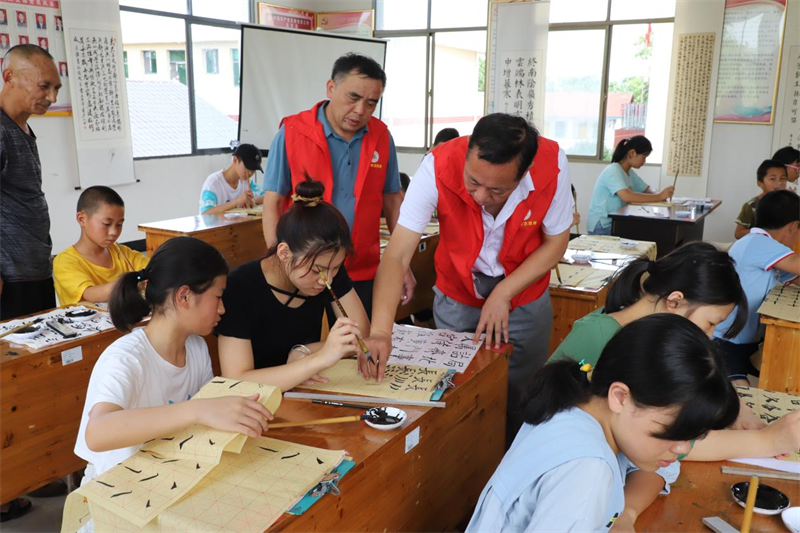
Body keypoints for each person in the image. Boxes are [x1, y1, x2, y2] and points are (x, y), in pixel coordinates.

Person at [367, 114, 574, 441]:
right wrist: (380, 331)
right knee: (456, 395)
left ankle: (512, 459)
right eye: (473, 182)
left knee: (522, 398)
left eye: (496, 190)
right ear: (467, 154)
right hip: (457, 294)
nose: (479, 197)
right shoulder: (437, 165)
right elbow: (396, 255)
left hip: (524, 293)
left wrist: (503, 293)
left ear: (525, 173)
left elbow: (556, 243)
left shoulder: (552, 165)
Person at [466, 314, 741, 533]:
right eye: (674, 431)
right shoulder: (587, 471)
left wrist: (627, 513)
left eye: (693, 435)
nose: (682, 448)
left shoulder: (581, 403)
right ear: (620, 397)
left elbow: (662, 468)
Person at [74, 237, 273, 489]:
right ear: (184, 296)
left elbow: (205, 416)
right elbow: (97, 433)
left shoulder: (196, 347)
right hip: (119, 488)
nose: (222, 309)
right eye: (218, 297)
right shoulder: (125, 358)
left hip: (169, 475)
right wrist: (196, 410)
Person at [262, 53, 411, 318]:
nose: (360, 110)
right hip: (304, 270)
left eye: (371, 103)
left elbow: (393, 203)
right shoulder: (293, 133)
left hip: (361, 269)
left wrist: (402, 265)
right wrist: (280, 262)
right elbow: (272, 203)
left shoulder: (381, 137)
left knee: (357, 338)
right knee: (306, 341)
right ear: (331, 88)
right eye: (353, 98)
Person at [217, 177, 369, 390]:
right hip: (258, 401)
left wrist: (304, 351)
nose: (327, 280)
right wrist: (317, 358)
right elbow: (237, 380)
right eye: (317, 271)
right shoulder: (239, 288)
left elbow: (361, 335)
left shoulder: (327, 267)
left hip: (305, 393)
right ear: (284, 253)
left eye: (336, 268)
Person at [550, 242, 747, 366]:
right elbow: (548, 402)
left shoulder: (658, 335)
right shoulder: (596, 335)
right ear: (675, 301)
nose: (710, 336)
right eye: (711, 323)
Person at [0, 45, 61, 322]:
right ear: (9, 77)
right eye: (44, 86)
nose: (52, 97)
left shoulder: (20, 126)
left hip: (35, 270)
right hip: (10, 279)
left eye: (56, 88)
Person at [714, 189, 800, 384]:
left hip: (746, 341)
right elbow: (797, 264)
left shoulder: (765, 250)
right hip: (725, 342)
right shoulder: (759, 243)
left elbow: (795, 276)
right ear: (793, 227)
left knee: (784, 371)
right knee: (740, 396)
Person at [53, 186, 149, 306]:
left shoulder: (123, 253)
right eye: (107, 224)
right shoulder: (65, 261)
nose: (114, 232)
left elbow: (153, 269)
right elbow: (90, 295)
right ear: (82, 219)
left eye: (119, 224)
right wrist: (133, 283)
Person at [587, 136, 675, 236]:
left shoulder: (629, 172)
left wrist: (658, 193)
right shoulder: (613, 170)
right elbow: (627, 196)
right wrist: (659, 196)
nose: (644, 161)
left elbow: (646, 188)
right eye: (644, 157)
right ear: (632, 153)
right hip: (602, 225)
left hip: (616, 221)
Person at [199, 143, 264, 215]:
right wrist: (236, 202)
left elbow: (267, 197)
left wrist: (253, 201)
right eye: (248, 167)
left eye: (253, 170)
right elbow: (205, 213)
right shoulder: (213, 183)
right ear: (235, 160)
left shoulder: (247, 183)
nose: (250, 173)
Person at [734, 159, 787, 239]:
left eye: (782, 178)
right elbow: (738, 233)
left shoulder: (789, 203)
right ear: (760, 183)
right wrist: (761, 232)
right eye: (773, 179)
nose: (779, 183)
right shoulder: (752, 205)